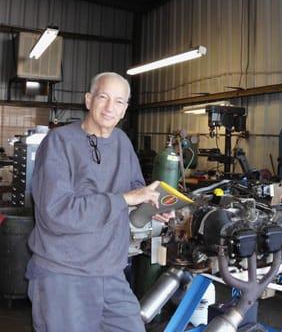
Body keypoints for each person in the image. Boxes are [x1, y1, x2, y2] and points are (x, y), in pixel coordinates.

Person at [26, 72, 172, 332]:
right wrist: (126, 199)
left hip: (111, 272)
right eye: (103, 97)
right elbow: (57, 212)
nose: (109, 107)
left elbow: (135, 188)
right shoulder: (58, 142)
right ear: (88, 100)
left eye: (118, 101)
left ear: (125, 109)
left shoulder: (122, 142)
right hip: (64, 274)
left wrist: (150, 207)